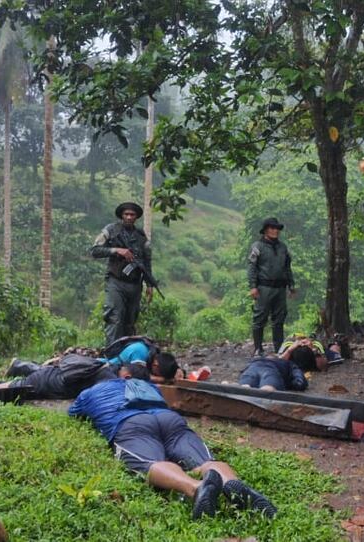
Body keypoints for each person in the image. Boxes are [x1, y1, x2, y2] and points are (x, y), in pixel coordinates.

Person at [69, 368, 276, 520]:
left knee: (150, 462)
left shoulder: (89, 393)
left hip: (131, 424)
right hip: (168, 418)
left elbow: (73, 414)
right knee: (204, 461)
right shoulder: (145, 385)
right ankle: (231, 483)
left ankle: (196, 488)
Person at [0, 353, 119, 402]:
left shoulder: (104, 366)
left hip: (49, 375)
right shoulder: (109, 380)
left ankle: (18, 365)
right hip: (42, 383)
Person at [91, 202, 152, 345]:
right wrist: (116, 250)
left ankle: (126, 354)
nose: (129, 217)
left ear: (136, 217)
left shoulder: (140, 236)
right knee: (114, 317)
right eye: (126, 214)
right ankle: (112, 352)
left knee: (130, 321)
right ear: (122, 215)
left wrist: (150, 284)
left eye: (132, 215)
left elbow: (147, 261)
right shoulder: (110, 230)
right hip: (116, 282)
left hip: (135, 284)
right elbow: (95, 250)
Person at [247, 217, 295, 356]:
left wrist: (291, 285)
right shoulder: (257, 246)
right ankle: (258, 349)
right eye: (272, 228)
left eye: (277, 229)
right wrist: (253, 286)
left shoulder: (283, 247)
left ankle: (279, 349)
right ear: (266, 230)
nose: (275, 231)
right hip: (264, 287)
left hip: (280, 288)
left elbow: (287, 267)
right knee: (259, 318)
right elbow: (252, 268)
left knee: (279, 319)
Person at [237, 355, 307, 392]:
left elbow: (242, 372)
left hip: (252, 369)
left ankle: (229, 385)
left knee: (244, 387)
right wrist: (289, 384)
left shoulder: (254, 360)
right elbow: (300, 382)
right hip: (270, 370)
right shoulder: (286, 362)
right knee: (267, 391)